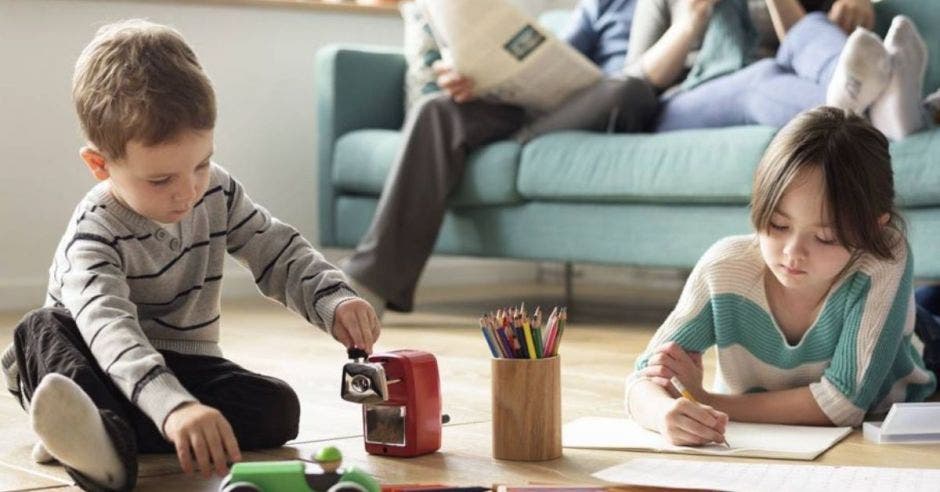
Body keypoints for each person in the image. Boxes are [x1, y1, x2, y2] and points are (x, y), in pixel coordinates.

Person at [0, 20, 381, 491]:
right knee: (40, 326)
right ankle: (91, 429)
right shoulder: (94, 236)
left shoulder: (216, 191)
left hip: (179, 360)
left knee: (276, 409)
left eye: (200, 164)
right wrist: (176, 408)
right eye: (160, 180)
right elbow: (112, 332)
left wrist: (334, 299)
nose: (188, 192)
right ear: (100, 165)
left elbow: (275, 248)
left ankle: (100, 434)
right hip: (93, 360)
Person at [624, 107, 938, 446]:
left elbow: (844, 404)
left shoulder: (883, 254)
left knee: (927, 310)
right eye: (778, 225)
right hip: (888, 315)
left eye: (825, 237)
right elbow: (643, 377)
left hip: (920, 345)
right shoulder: (723, 269)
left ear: (875, 228)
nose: (792, 253)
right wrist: (662, 414)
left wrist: (708, 401)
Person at [340, 0, 660, 316]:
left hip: (613, 104)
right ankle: (371, 281)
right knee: (437, 110)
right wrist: (481, 79)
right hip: (548, 105)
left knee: (627, 88)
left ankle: (523, 138)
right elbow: (563, 52)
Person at [634, 0, 928, 140]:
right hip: (682, 101)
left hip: (779, 81)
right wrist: (689, 22)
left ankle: (885, 110)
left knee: (811, 27)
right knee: (759, 78)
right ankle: (893, 108)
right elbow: (637, 82)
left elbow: (802, 43)